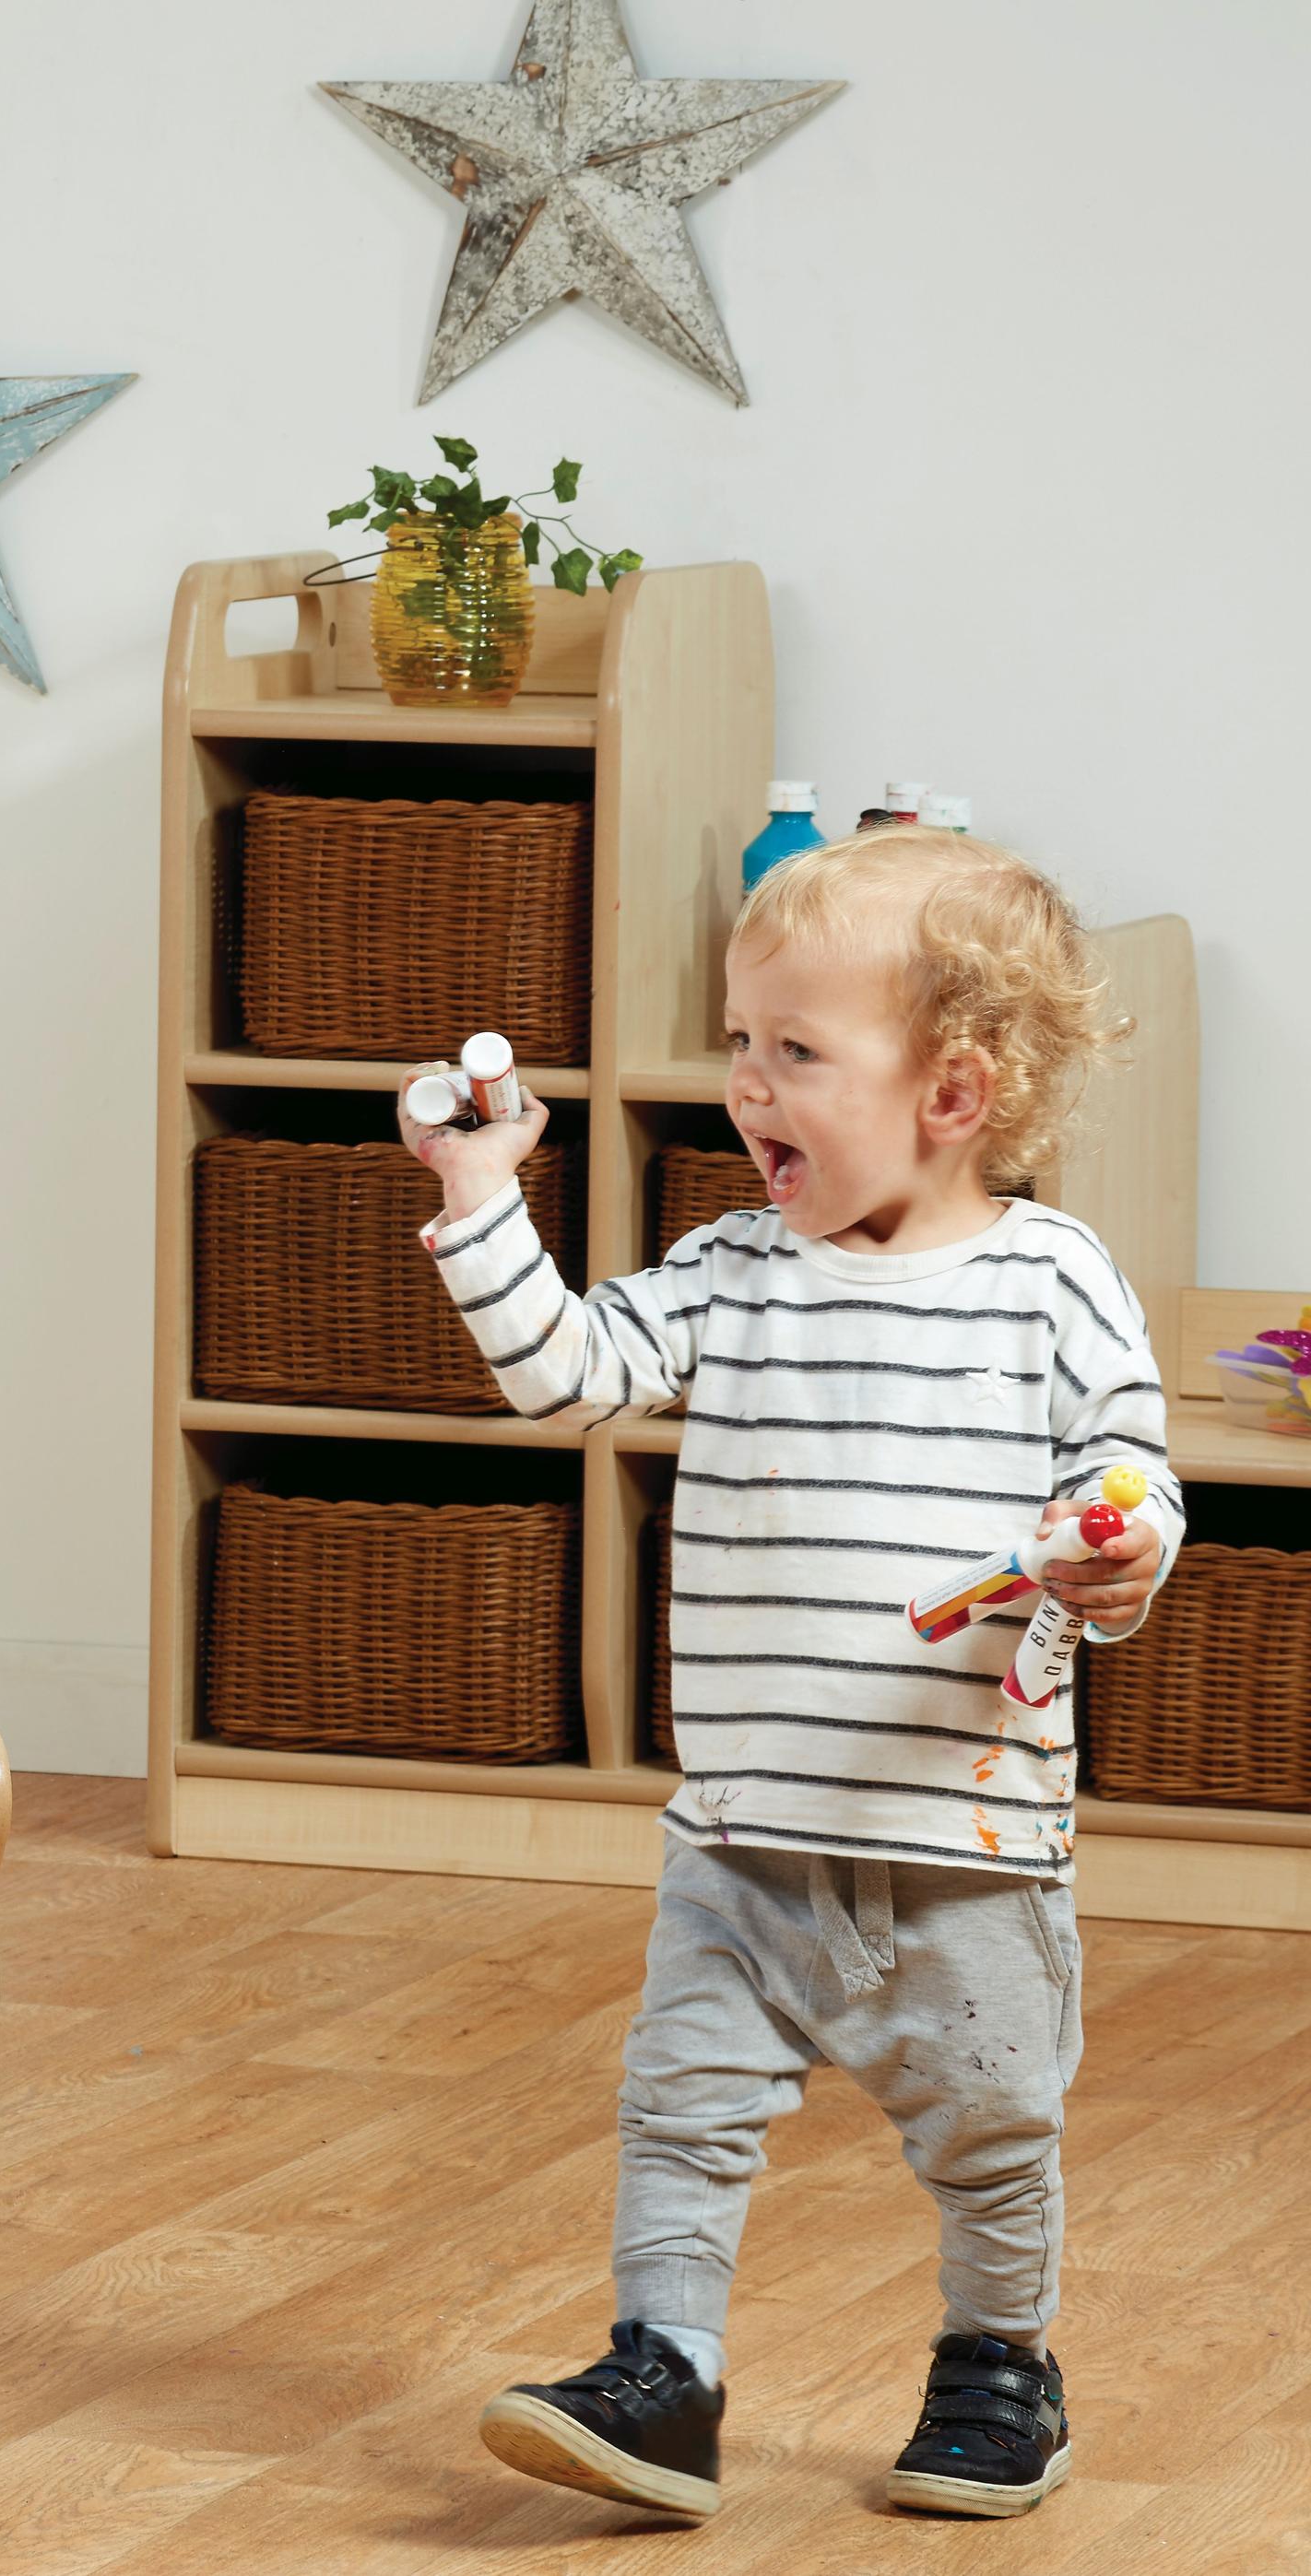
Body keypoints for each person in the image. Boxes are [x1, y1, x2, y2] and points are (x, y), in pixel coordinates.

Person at [400, 828, 1176, 2523]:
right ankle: (664, 2373)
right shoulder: (730, 1273)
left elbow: (1129, 1485)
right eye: (740, 1044)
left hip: (963, 1843)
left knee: (993, 2130)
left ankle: (1000, 2370)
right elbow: (572, 1378)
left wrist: (1119, 1550)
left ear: (954, 1093)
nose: (746, 1084)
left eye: (796, 1053)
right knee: (680, 2110)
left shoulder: (1054, 1285)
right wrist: (478, 1197)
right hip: (744, 1832)